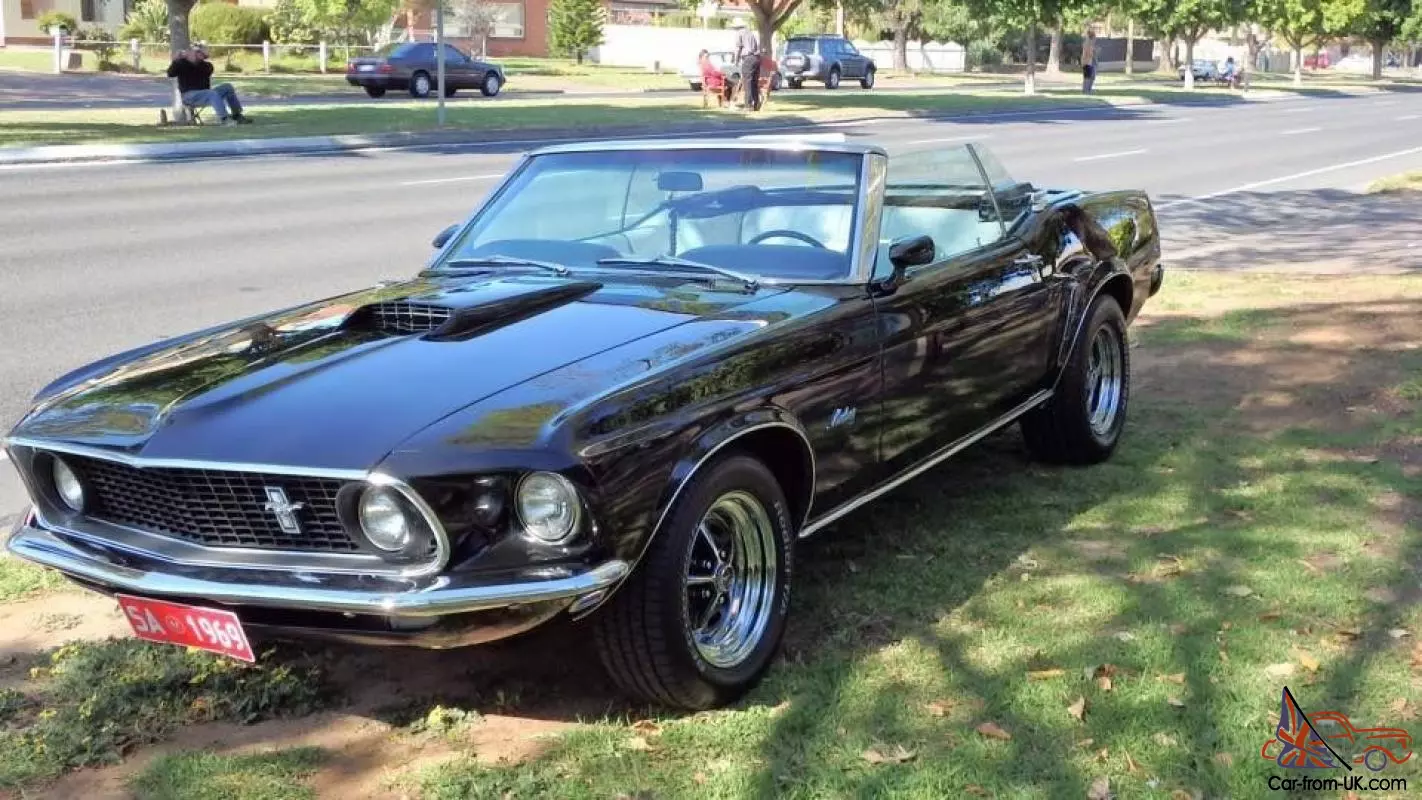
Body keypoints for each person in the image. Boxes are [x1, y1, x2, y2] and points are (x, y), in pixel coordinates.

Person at [166, 45, 250, 125]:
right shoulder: (181, 64)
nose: (198, 54)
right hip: (189, 96)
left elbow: (205, 69)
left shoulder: (206, 66)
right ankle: (224, 119)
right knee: (211, 93)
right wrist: (176, 60)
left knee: (227, 87)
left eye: (200, 53)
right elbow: (170, 74)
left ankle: (237, 115)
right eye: (196, 52)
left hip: (205, 94)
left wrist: (194, 60)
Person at [731, 18, 761, 111]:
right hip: (756, 57)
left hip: (748, 58)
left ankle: (748, 105)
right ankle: (756, 103)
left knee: (747, 82)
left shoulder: (739, 33)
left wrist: (736, 60)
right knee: (754, 82)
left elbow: (739, 47)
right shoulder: (750, 33)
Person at [1081, 29, 1097, 94]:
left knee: (1088, 77)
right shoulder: (1088, 44)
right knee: (1087, 77)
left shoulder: (1088, 43)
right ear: (1092, 37)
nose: (1095, 39)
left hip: (1086, 62)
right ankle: (1086, 91)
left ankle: (1086, 90)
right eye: (1094, 37)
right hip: (1087, 62)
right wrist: (1095, 53)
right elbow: (1089, 54)